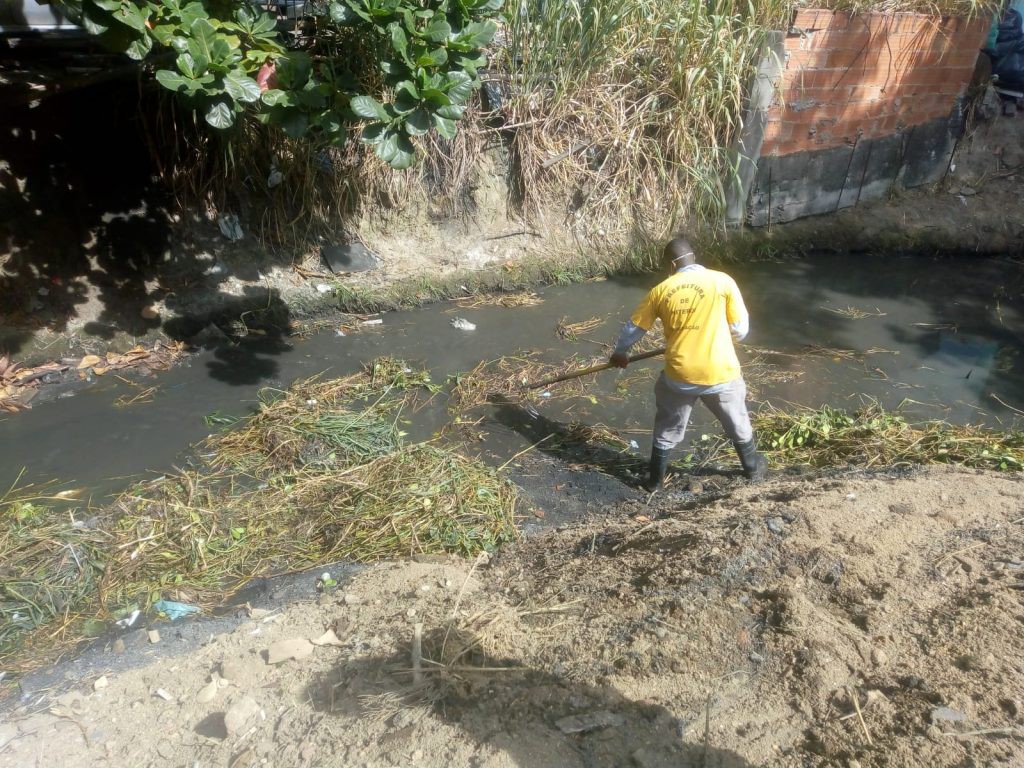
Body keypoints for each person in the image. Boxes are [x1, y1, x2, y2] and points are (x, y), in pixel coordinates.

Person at [610, 236, 767, 490]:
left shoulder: (660, 290)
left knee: (667, 427)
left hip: (680, 376)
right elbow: (740, 330)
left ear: (671, 265)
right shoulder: (722, 281)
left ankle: (655, 482)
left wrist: (620, 353)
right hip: (720, 372)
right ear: (693, 256)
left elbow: (633, 328)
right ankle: (752, 469)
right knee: (737, 420)